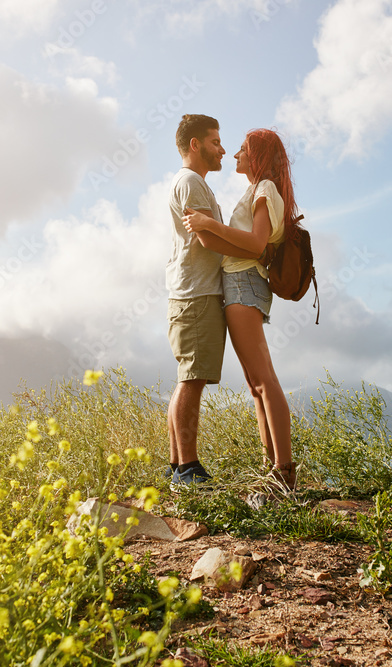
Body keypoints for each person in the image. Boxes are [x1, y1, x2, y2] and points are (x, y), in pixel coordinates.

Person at [182, 128, 297, 490]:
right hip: (241, 283)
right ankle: (273, 470)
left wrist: (207, 223)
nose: (234, 155)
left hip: (245, 282)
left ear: (258, 155)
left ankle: (284, 471)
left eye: (243, 150)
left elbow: (255, 243)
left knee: (264, 380)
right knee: (255, 385)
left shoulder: (265, 189)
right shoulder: (258, 190)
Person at [166, 114, 248, 487]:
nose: (223, 149)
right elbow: (207, 240)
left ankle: (177, 465)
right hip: (197, 293)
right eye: (216, 142)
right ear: (196, 144)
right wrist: (254, 250)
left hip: (190, 291)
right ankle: (188, 468)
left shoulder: (191, 183)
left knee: (188, 378)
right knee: (193, 379)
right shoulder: (192, 183)